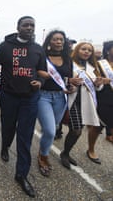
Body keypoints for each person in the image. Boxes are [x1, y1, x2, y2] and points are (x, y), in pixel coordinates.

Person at [0, 16, 46, 198]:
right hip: (8, 96)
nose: (30, 28)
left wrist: (39, 82)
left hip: (30, 99)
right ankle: (4, 146)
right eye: (26, 25)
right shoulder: (4, 47)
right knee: (8, 128)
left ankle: (21, 175)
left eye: (32, 25)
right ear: (18, 27)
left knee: (25, 137)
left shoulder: (38, 49)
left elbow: (42, 73)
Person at [60, 42, 103, 169]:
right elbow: (60, 79)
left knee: (76, 131)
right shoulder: (68, 63)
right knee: (77, 131)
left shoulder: (92, 67)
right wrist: (69, 81)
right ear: (77, 50)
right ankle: (65, 154)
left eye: (89, 50)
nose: (86, 52)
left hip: (86, 104)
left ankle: (66, 153)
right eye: (83, 49)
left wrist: (98, 84)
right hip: (72, 101)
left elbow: (97, 88)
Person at [36, 30, 73, 177]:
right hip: (43, 96)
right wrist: (40, 75)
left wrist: (72, 85)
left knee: (52, 127)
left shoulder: (67, 58)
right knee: (51, 131)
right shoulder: (42, 56)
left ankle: (43, 146)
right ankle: (43, 156)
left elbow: (69, 78)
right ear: (49, 41)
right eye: (56, 39)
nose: (59, 42)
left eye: (61, 40)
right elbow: (35, 71)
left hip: (60, 97)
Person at [55, 38, 78, 140]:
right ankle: (56, 130)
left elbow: (69, 75)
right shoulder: (56, 57)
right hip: (54, 90)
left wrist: (70, 84)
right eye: (69, 44)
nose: (70, 46)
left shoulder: (71, 58)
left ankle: (58, 129)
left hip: (67, 90)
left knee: (62, 113)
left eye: (71, 45)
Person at [96, 41, 113, 143]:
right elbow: (95, 80)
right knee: (98, 126)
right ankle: (91, 148)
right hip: (104, 97)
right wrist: (101, 81)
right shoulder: (100, 64)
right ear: (107, 50)